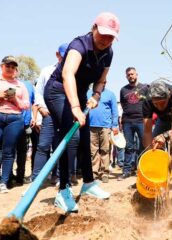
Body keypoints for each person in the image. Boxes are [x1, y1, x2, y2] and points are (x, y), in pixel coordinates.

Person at [43, 12, 119, 212]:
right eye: (103, 34)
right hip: (58, 90)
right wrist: (76, 107)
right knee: (71, 135)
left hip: (80, 94)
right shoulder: (79, 45)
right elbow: (68, 73)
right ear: (94, 28)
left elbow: (101, 80)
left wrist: (96, 95)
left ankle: (88, 183)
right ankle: (63, 190)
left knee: (85, 135)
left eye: (111, 37)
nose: (105, 40)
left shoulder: (108, 53)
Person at [32, 43, 70, 184]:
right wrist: (41, 107)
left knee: (61, 146)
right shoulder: (47, 71)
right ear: (57, 54)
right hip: (49, 115)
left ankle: (58, 177)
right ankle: (36, 179)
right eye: (63, 55)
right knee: (43, 146)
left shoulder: (74, 73)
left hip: (65, 115)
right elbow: (39, 91)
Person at [0, 56, 30, 193]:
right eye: (7, 66)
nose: (10, 68)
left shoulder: (20, 85)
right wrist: (0, 97)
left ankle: (4, 181)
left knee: (9, 150)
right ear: (2, 66)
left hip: (15, 118)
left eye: (13, 66)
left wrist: (14, 99)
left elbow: (26, 105)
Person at [118, 67, 148, 180]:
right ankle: (126, 171)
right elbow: (123, 104)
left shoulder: (144, 88)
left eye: (132, 74)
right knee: (129, 146)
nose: (131, 76)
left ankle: (142, 170)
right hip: (128, 122)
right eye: (128, 75)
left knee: (144, 145)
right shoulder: (123, 90)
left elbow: (149, 102)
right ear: (126, 76)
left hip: (141, 121)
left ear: (136, 74)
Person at [87, 84, 118, 183]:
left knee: (105, 149)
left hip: (105, 126)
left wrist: (115, 125)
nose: (102, 83)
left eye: (104, 81)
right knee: (93, 150)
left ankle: (105, 172)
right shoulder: (88, 93)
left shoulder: (110, 94)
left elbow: (115, 111)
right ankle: (94, 173)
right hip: (91, 126)